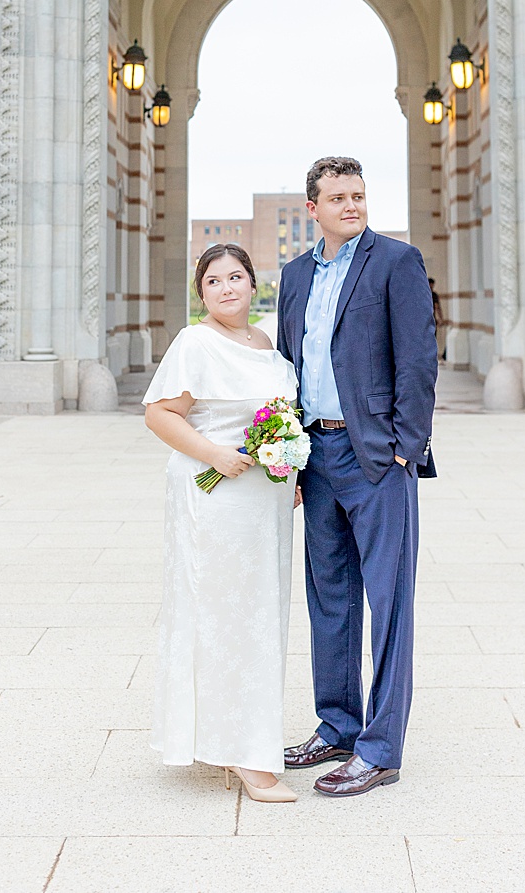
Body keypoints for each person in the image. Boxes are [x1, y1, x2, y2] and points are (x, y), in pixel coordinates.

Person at [274, 156, 437, 797]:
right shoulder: (293, 276)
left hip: (375, 457)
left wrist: (404, 448)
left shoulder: (395, 263)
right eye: (338, 197)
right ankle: (337, 726)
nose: (352, 206)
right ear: (311, 207)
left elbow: (419, 359)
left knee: (388, 602)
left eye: (359, 196)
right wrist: (284, 454)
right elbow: (288, 363)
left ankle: (381, 749)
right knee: (330, 599)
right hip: (314, 456)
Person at [142, 242, 301, 803]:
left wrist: (287, 465)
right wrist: (213, 455)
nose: (226, 288)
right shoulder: (195, 343)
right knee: (226, 615)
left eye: (236, 277)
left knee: (260, 615)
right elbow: (159, 413)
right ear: (200, 292)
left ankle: (235, 738)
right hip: (216, 499)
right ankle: (247, 758)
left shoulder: (267, 344)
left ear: (253, 284)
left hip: (267, 502)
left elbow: (279, 419)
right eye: (213, 281)